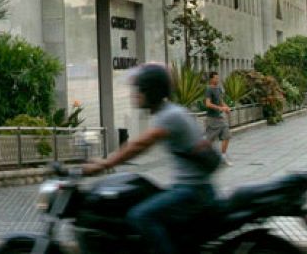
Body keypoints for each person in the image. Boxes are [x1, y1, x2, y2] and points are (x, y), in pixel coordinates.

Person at [83, 63, 217, 254]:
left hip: (193, 191)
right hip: (191, 187)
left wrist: (106, 163)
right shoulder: (169, 112)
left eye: (139, 90)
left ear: (151, 91)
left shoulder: (169, 116)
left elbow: (139, 145)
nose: (134, 95)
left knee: (140, 216)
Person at [204, 71, 232, 166]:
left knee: (227, 135)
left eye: (218, 77)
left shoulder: (218, 88)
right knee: (209, 141)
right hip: (212, 119)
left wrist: (226, 108)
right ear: (211, 79)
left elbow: (220, 101)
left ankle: (223, 156)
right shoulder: (209, 89)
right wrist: (221, 108)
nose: (217, 79)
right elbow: (207, 104)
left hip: (219, 118)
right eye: (215, 78)